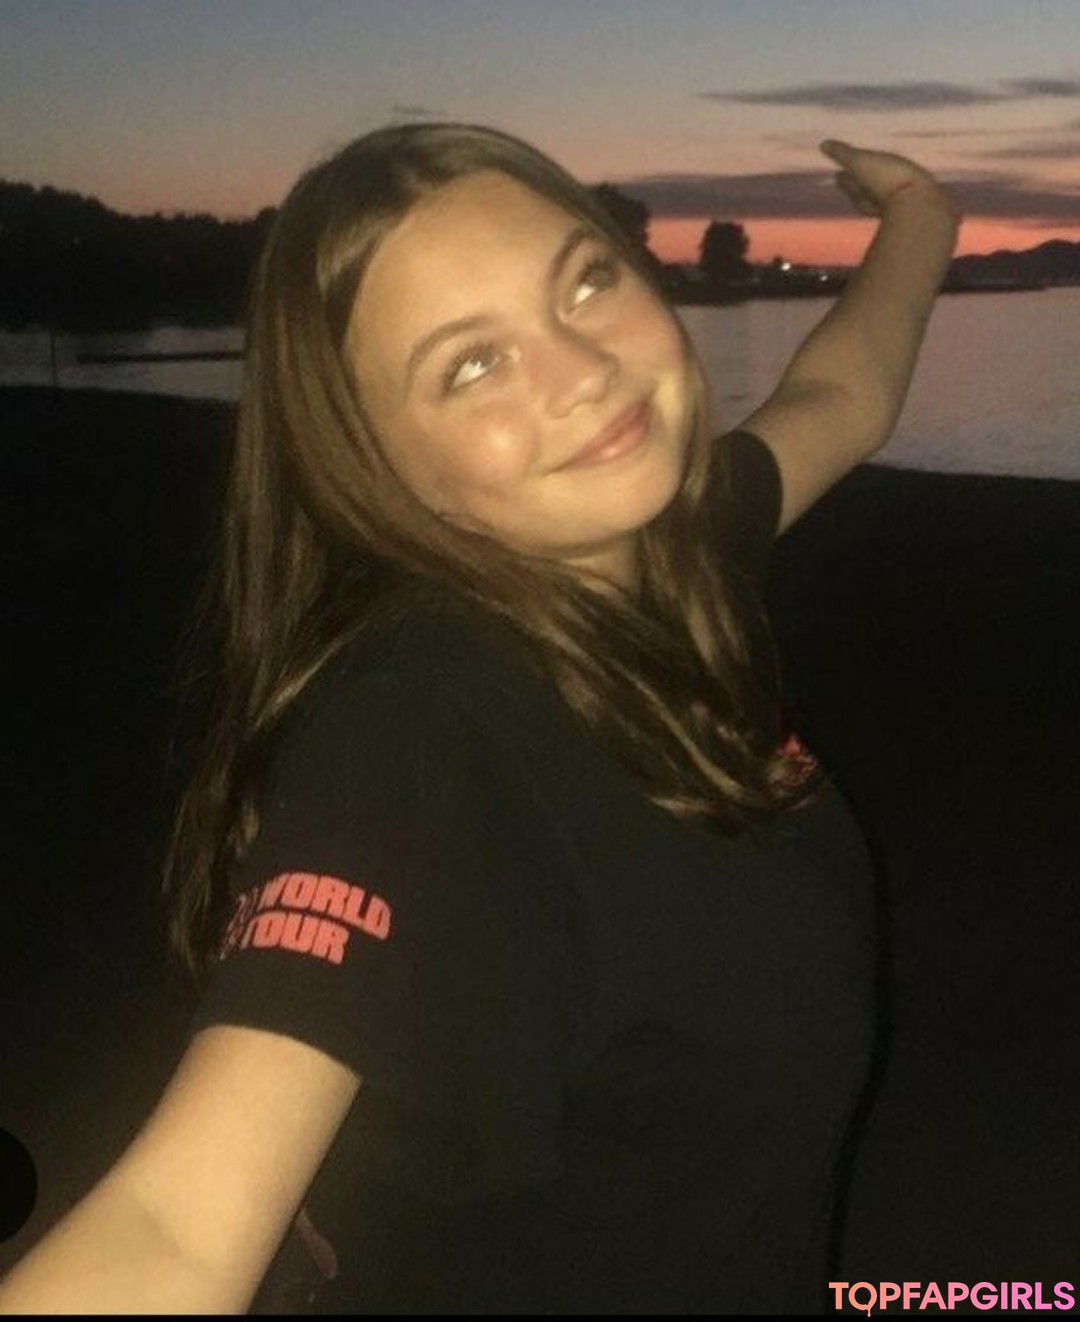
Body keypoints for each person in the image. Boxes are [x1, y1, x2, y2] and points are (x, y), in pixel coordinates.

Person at [0, 123, 958, 1314]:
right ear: (377, 471)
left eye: (586, 281)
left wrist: (921, 214)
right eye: (471, 365)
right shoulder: (421, 723)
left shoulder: (669, 549)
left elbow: (842, 395)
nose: (582, 370)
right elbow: (173, 1231)